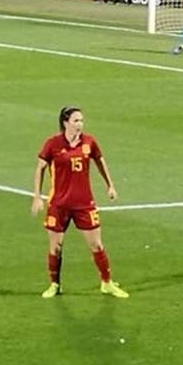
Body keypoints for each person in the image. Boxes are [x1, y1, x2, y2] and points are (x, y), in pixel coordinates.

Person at [30, 107, 128, 299]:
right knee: (55, 247)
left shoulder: (89, 142)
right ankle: (54, 285)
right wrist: (37, 196)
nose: (80, 124)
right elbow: (40, 167)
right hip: (59, 204)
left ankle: (107, 283)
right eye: (76, 121)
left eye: (81, 120)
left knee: (97, 245)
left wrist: (110, 185)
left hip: (84, 204)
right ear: (65, 122)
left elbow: (100, 160)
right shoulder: (53, 144)